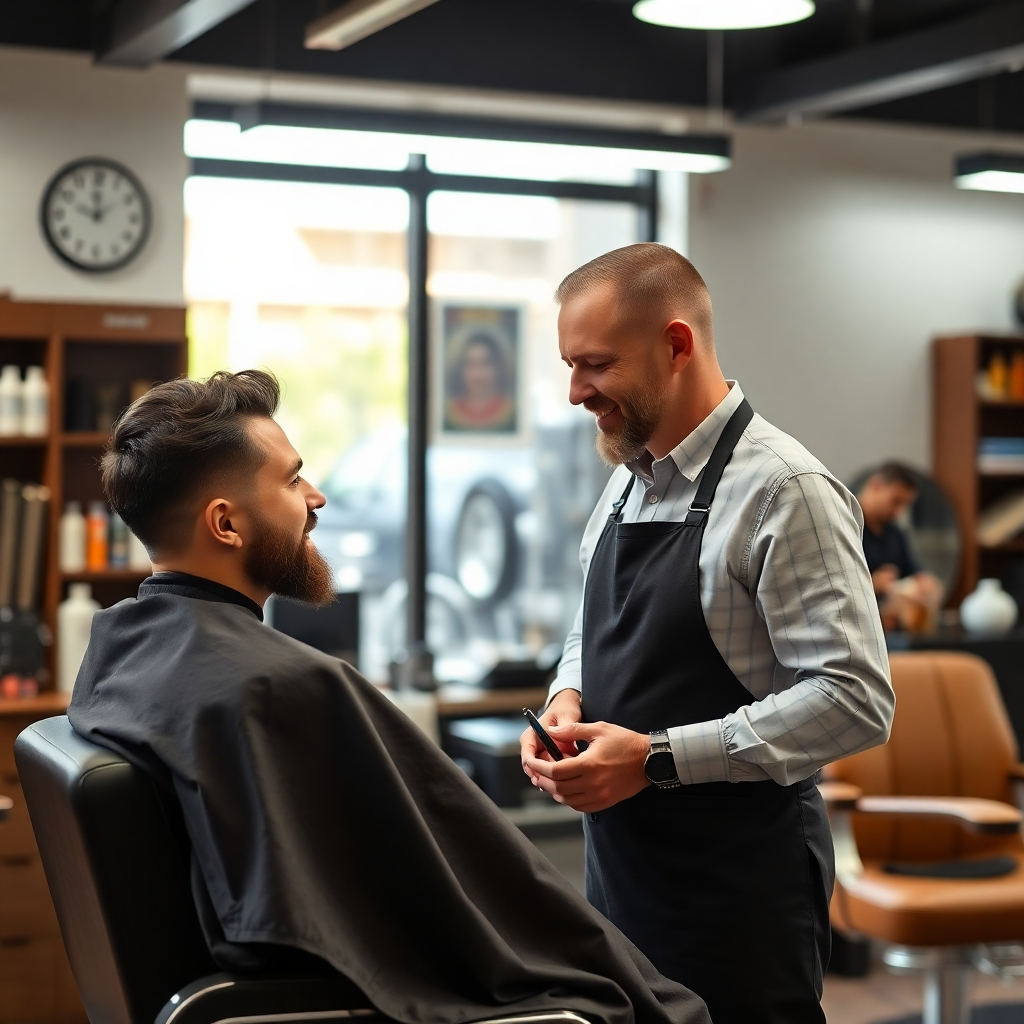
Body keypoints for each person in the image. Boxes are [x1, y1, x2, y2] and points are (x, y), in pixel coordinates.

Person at [68, 370, 710, 1024]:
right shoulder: (281, 688)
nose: (316, 497)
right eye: (291, 481)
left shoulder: (119, 647)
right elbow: (463, 910)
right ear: (226, 524)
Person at [519, 244, 894, 1024]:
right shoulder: (628, 480)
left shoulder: (785, 492)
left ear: (677, 345)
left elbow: (854, 698)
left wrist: (654, 758)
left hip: (739, 887)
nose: (575, 392)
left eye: (595, 366)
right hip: (624, 874)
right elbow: (593, 629)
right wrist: (566, 697)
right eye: (570, 365)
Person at [856, 462, 942, 630]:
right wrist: (871, 584)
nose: (899, 512)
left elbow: (913, 570)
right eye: (895, 501)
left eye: (904, 505)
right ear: (876, 486)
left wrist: (924, 582)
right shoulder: (845, 526)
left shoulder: (894, 533)